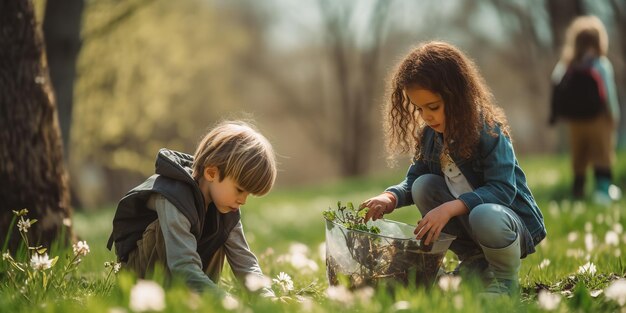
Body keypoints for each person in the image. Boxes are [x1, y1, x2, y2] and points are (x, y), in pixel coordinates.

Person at [360, 41, 546, 296]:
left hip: (508, 226)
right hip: (472, 227)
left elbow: (503, 190)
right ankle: (474, 263)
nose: (426, 116)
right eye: (419, 108)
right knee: (422, 185)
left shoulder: (488, 130)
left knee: (483, 214)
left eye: (433, 107)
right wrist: (390, 197)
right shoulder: (431, 136)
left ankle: (504, 281)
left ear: (456, 96)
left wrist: (450, 208)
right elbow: (413, 179)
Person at [107, 120, 276, 297]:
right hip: (139, 279)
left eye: (248, 194)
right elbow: (182, 264)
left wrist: (267, 297)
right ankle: (190, 296)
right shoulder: (174, 197)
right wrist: (224, 300)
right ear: (211, 173)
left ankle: (198, 297)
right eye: (240, 190)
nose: (243, 200)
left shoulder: (227, 207)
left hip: (184, 275)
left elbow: (245, 262)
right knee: (166, 229)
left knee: (223, 233)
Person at [549, 15, 621, 203]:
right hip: (598, 118)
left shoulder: (567, 64)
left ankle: (578, 192)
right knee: (602, 154)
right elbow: (610, 93)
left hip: (575, 121)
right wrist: (614, 115)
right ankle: (603, 192)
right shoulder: (601, 64)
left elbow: (556, 82)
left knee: (579, 157)